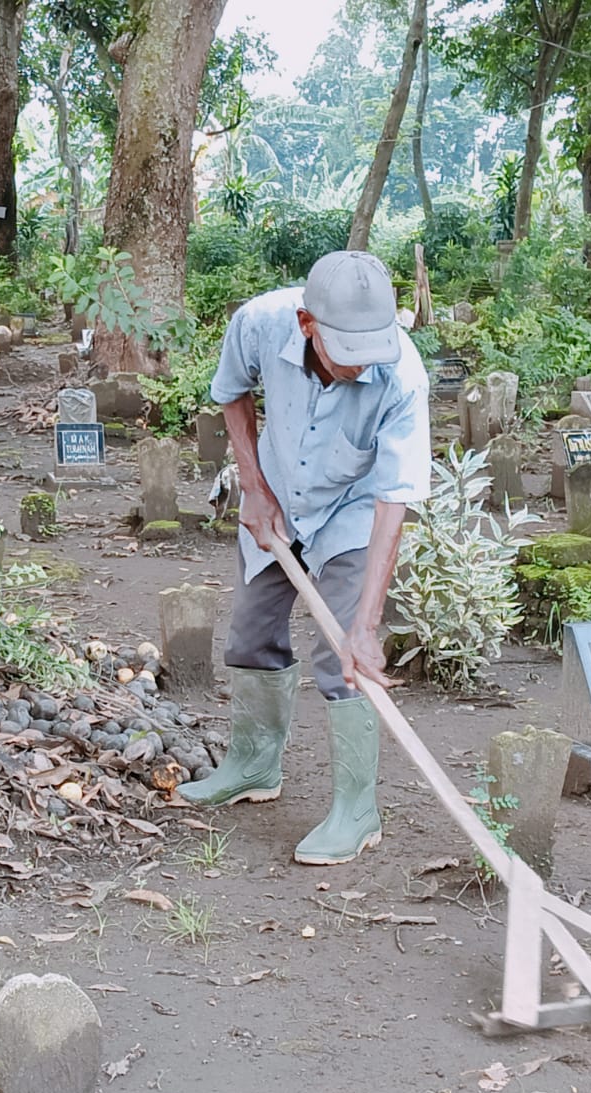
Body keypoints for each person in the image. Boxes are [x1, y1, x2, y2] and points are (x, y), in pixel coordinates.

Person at [177, 250, 432, 866]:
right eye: (347, 349)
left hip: (352, 511)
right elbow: (232, 393)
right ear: (307, 324)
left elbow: (393, 502)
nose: (361, 363)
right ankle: (253, 765)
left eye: (370, 348)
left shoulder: (402, 376)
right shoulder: (261, 322)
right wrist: (253, 487)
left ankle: (357, 811)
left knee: (343, 657)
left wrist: (366, 626)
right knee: (250, 634)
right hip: (276, 494)